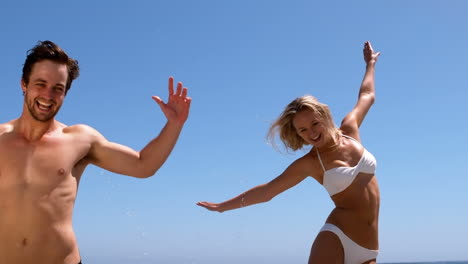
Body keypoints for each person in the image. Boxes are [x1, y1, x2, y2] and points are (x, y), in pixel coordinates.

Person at [0, 40, 191, 264]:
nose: (48, 95)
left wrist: (174, 124)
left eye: (58, 89)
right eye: (40, 84)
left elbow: (143, 165)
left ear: (65, 93)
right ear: (24, 84)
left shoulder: (79, 139)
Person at [198, 41, 381, 264]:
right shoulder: (311, 163)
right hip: (337, 237)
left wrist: (370, 64)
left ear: (324, 115)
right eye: (303, 130)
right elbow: (267, 192)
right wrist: (222, 207)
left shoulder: (350, 129)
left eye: (314, 123)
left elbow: (367, 95)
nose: (311, 133)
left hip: (370, 247)